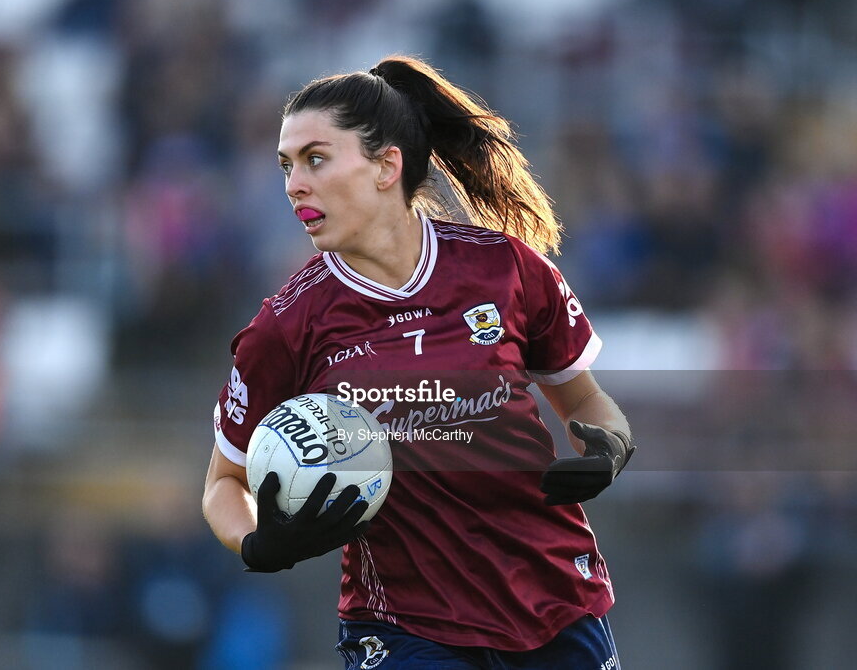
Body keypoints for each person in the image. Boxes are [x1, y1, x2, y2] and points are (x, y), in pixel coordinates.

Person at [202, 56, 635, 669]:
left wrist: (610, 445)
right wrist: (256, 543)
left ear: (386, 166)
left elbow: (586, 401)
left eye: (316, 159)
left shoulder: (504, 268)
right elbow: (224, 482)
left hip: (554, 601)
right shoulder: (286, 325)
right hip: (405, 628)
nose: (294, 183)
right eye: (286, 165)